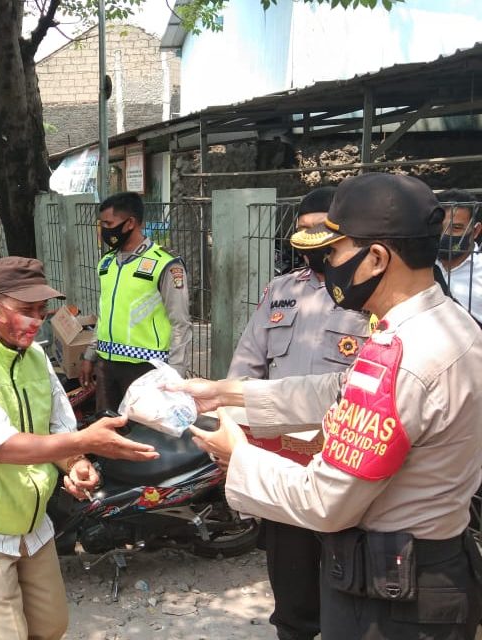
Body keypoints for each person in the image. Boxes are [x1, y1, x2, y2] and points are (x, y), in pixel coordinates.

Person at [179, 173, 482, 639]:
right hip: (434, 566)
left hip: (389, 596)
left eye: (335, 252)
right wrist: (227, 392)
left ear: (377, 257)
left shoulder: (401, 359)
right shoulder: (451, 326)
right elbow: (340, 386)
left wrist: (237, 455)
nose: (328, 265)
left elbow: (325, 502)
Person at [0, 256, 160, 640]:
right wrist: (85, 441)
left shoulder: (35, 355)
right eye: (25, 311)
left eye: (41, 310)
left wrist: (75, 463)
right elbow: (1, 447)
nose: (36, 321)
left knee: (51, 626)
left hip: (31, 521)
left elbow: (58, 426)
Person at [226, 188, 372, 640]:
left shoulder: (370, 299)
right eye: (303, 229)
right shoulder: (282, 291)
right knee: (292, 591)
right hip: (283, 462)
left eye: (321, 230)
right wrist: (232, 422)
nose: (311, 239)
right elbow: (247, 365)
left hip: (345, 465)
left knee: (349, 587)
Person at [79, 191, 192, 411]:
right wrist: (90, 355)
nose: (104, 229)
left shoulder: (165, 264)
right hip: (106, 367)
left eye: (108, 223)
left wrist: (175, 374)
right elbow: (104, 315)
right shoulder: (107, 263)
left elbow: (181, 323)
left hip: (147, 369)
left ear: (130, 223)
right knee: (108, 433)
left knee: (144, 438)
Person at [435, 189, 481, 322]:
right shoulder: (419, 265)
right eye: (438, 227)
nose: (444, 235)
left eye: (456, 228)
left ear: (475, 231)